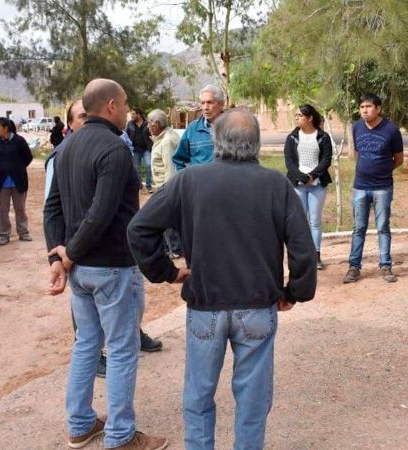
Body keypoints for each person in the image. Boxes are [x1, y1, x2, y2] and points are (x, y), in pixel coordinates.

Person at [127, 108, 316, 450]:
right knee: (253, 397)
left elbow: (140, 229)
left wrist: (165, 273)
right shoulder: (276, 184)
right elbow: (302, 246)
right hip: (257, 305)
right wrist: (294, 292)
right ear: (256, 143)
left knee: (199, 395)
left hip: (205, 306)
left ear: (216, 140)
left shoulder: (189, 180)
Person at [44, 78, 176, 450]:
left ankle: (80, 423)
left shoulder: (67, 147)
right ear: (112, 106)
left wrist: (58, 256)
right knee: (121, 349)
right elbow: (100, 214)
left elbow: (52, 209)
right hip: (111, 267)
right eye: (126, 103)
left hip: (81, 271)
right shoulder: (115, 149)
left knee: (86, 343)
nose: (128, 109)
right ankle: (120, 435)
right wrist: (67, 255)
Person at [342, 93, 403, 284]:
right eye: (362, 107)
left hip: (382, 187)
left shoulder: (391, 130)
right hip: (360, 186)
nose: (364, 111)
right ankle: (354, 267)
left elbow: (398, 159)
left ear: (378, 109)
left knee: (383, 227)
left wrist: (382, 171)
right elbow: (358, 152)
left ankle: (385, 266)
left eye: (368, 107)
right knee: (358, 228)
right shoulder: (356, 127)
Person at [283, 104, 333, 270]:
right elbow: (289, 162)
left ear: (310, 118)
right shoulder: (292, 137)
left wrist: (313, 176)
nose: (296, 118)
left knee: (315, 220)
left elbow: (326, 160)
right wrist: (303, 178)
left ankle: (316, 255)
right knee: (300, 220)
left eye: (300, 115)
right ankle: (302, 255)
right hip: (298, 184)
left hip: (317, 184)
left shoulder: (323, 137)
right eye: (296, 115)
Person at [0, 116, 33, 246]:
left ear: (5, 128)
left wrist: (18, 168)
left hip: (19, 181)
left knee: (20, 209)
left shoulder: (19, 141)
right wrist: (0, 168)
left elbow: (28, 157)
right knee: (2, 211)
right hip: (1, 182)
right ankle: (4, 235)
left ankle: (23, 232)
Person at [147, 108, 182, 259]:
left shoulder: (167, 141)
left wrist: (168, 192)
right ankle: (170, 247)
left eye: (149, 123)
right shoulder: (164, 137)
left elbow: (170, 169)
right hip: (163, 186)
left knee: (165, 217)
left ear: (156, 124)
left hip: (166, 186)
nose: (148, 126)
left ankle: (175, 248)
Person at [172, 84, 225, 171]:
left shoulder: (233, 128)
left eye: (209, 102)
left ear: (221, 104)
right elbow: (178, 160)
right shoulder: (192, 129)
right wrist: (185, 178)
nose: (205, 107)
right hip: (199, 180)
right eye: (203, 103)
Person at [126, 107, 154, 193]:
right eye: (131, 114)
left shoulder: (147, 123)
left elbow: (152, 133)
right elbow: (126, 135)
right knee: (136, 168)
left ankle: (149, 185)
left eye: (133, 114)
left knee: (148, 165)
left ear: (139, 114)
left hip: (146, 149)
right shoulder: (130, 124)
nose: (132, 116)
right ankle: (140, 187)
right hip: (135, 149)